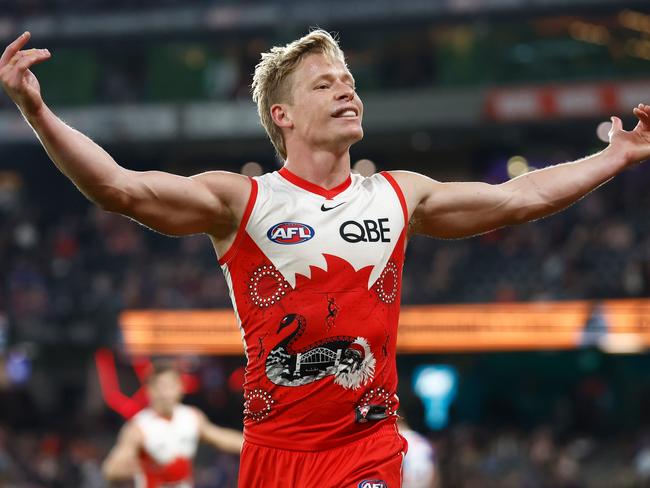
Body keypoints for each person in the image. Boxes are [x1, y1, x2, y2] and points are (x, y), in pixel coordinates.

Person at [1, 29, 649, 487]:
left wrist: (613, 157)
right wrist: (36, 109)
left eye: (349, 80)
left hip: (366, 447)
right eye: (324, 83)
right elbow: (119, 187)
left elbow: (520, 196)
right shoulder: (242, 201)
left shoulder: (400, 193)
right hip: (274, 457)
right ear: (281, 114)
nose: (347, 90)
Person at [101, 359, 243, 487]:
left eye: (171, 386)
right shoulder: (139, 427)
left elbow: (221, 437)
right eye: (161, 387)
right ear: (150, 390)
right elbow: (111, 469)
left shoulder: (191, 417)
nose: (166, 393)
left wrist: (256, 444)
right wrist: (127, 467)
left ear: (180, 388)